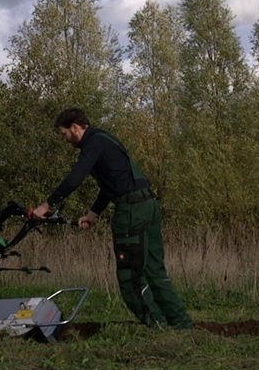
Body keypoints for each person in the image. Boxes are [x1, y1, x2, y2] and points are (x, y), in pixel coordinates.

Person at [31, 107, 193, 329]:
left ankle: (159, 328)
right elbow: (114, 182)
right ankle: (182, 325)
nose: (65, 140)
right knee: (155, 271)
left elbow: (74, 178)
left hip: (131, 212)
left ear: (75, 128)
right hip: (148, 205)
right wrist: (93, 213)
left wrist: (45, 205)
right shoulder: (104, 139)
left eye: (64, 134)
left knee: (130, 277)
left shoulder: (92, 144)